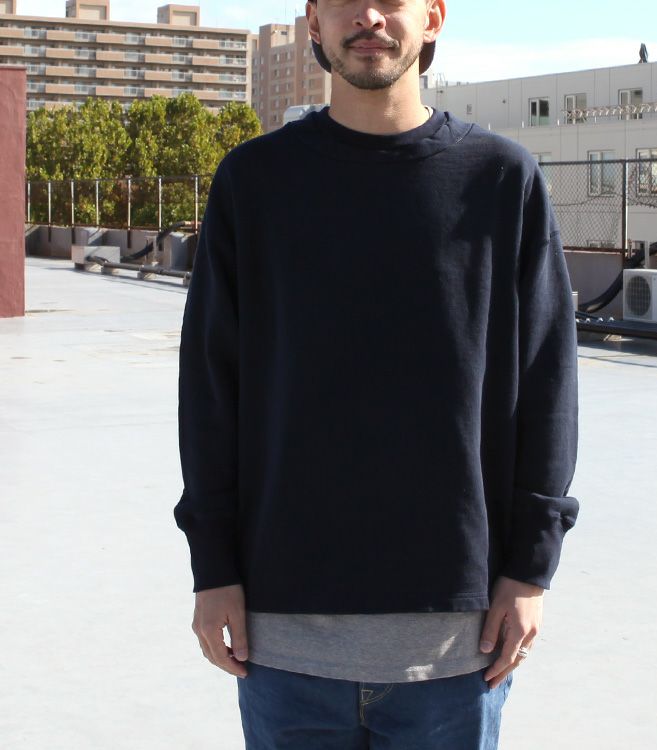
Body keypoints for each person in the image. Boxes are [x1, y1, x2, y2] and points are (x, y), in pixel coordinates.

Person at [175, 0, 580, 747]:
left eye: (391, 0)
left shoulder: (501, 179)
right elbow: (210, 390)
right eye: (343, 1)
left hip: (457, 644)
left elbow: (547, 383)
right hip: (281, 636)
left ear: (433, 17)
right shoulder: (254, 183)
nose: (368, 16)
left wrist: (531, 569)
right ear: (313, 22)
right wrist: (212, 566)